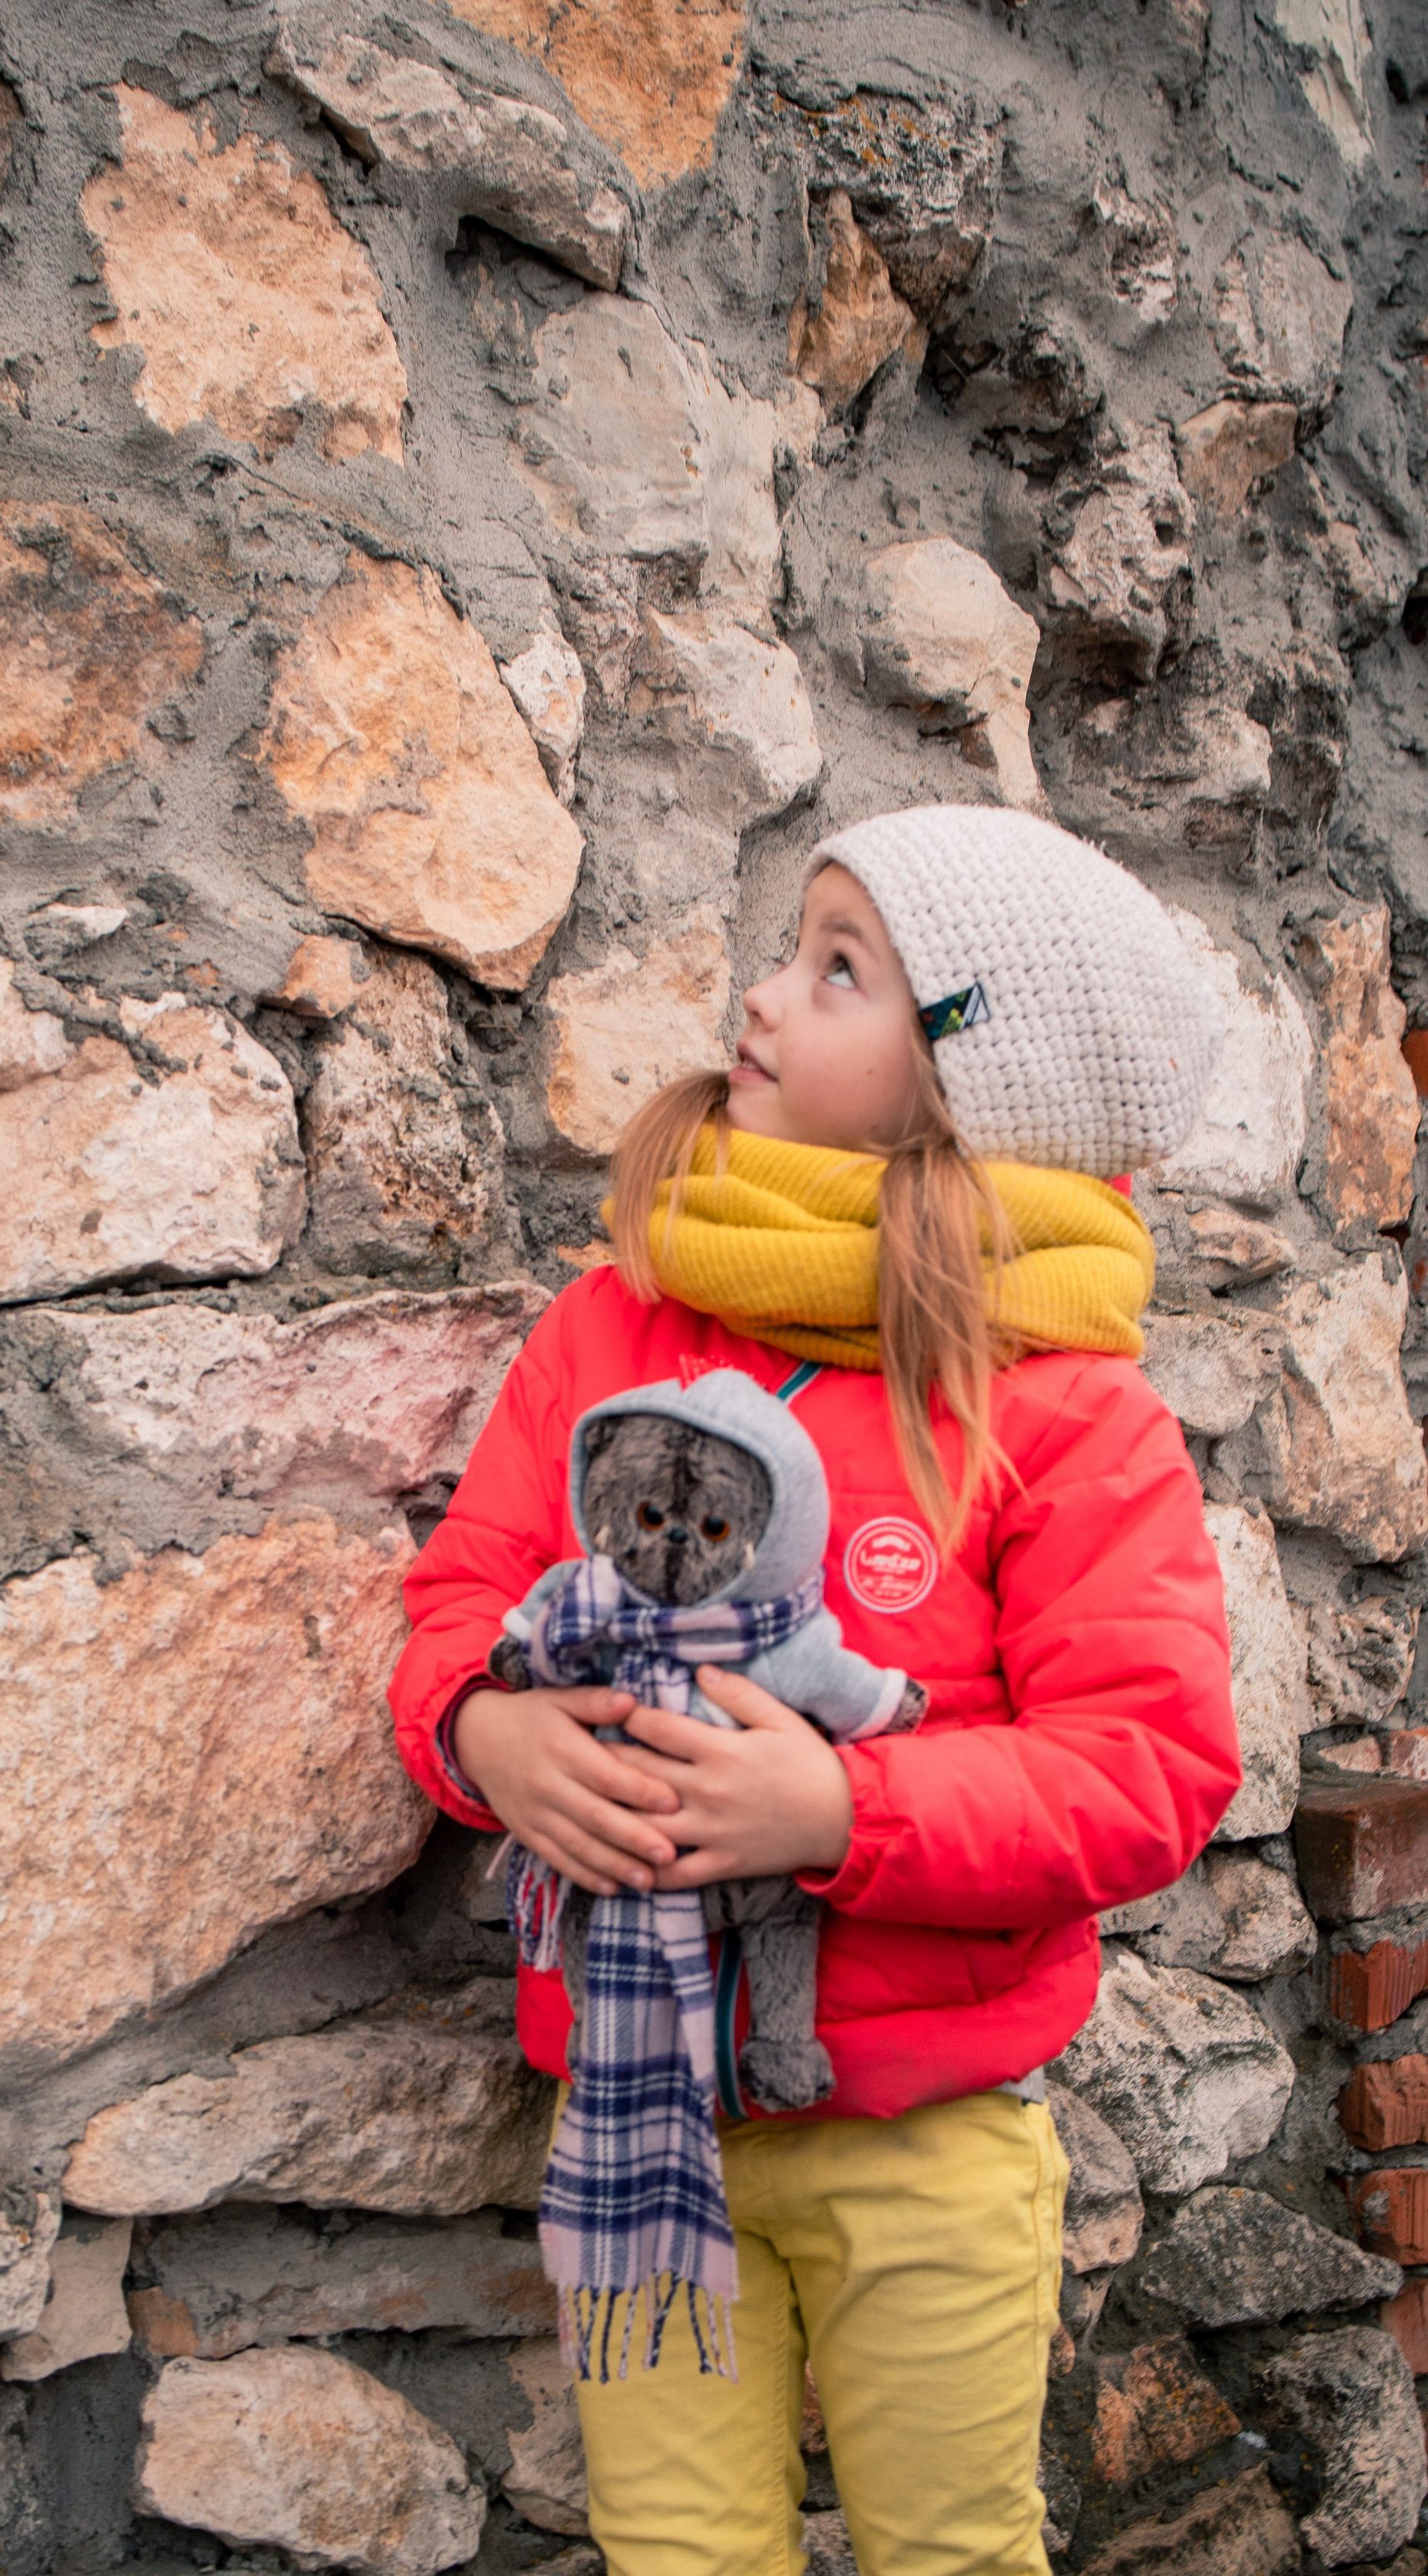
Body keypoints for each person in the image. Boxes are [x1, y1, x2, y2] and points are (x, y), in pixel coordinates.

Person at [389, 805, 1242, 2576]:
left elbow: (1145, 1766)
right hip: (633, 2109)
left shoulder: (1063, 1410)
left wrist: (841, 1812)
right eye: (789, 949)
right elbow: (460, 1597)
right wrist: (481, 1728)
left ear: (970, 1078)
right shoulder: (616, 1324)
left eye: (837, 969)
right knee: (674, 2546)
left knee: (949, 2550)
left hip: (922, 2142)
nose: (764, 996)